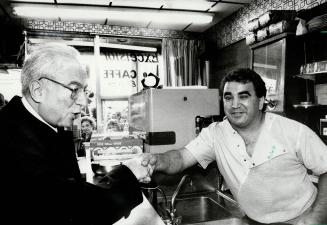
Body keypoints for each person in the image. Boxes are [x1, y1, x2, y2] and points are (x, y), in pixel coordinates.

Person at [141, 68, 327, 225]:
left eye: (244, 96)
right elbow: (181, 158)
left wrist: (316, 218)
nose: (235, 105)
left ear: (261, 101)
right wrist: (157, 160)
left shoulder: (293, 131)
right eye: (228, 97)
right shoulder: (215, 134)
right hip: (255, 221)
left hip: (303, 219)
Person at [0, 43, 151, 225]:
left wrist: (126, 173)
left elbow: (73, 192)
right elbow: (76, 211)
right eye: (74, 90)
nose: (83, 102)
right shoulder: (10, 138)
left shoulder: (53, 126)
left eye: (84, 91)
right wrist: (130, 173)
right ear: (38, 90)